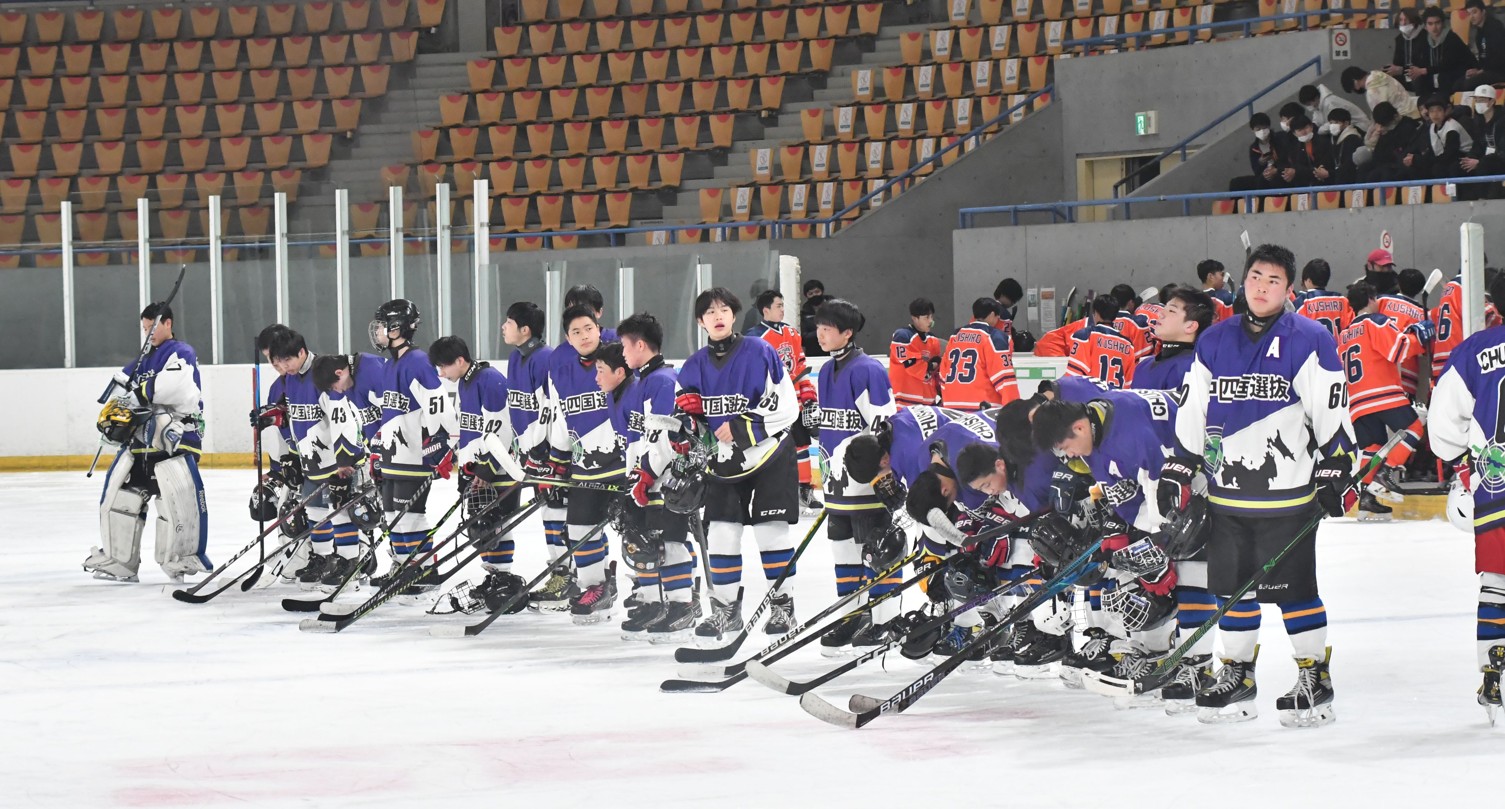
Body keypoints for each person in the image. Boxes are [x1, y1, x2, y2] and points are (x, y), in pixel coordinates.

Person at [1168, 243, 1356, 728]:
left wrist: (1336, 464)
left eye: (1273, 280)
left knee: (1295, 591)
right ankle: (1237, 675)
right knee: (1231, 591)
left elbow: (1331, 407)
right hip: (1226, 494)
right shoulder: (1214, 340)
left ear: (1288, 289)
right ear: (1244, 279)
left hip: (1288, 495)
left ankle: (1314, 676)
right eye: (1255, 277)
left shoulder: (1310, 338)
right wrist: (1181, 462)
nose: (1261, 287)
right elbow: (1194, 406)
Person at [1031, 388, 1193, 703]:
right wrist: (1116, 532)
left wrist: (1158, 549)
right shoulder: (1093, 430)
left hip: (1194, 482)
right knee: (1129, 565)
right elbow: (1122, 492)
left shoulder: (1131, 436)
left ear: (1079, 428)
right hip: (1156, 488)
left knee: (1175, 575)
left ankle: (1178, 657)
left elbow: (1163, 497)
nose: (1070, 456)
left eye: (1066, 447)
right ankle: (1149, 649)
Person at [676, 287, 801, 639]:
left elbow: (787, 404)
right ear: (700, 321)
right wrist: (687, 428)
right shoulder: (693, 365)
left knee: (770, 531)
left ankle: (783, 606)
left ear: (733, 315)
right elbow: (687, 417)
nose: (718, 316)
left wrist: (742, 426)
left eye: (723, 310)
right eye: (709, 312)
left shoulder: (760, 351)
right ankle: (726, 610)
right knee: (721, 534)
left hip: (770, 454)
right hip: (724, 462)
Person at [87, 302, 212, 583]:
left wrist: (137, 393)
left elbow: (176, 388)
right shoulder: (141, 360)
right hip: (141, 442)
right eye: (145, 329)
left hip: (175, 439)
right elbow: (118, 393)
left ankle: (180, 559)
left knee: (173, 500)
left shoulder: (182, 352)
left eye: (152, 328)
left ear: (168, 323)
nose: (149, 334)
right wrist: (115, 413)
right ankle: (121, 560)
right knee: (123, 497)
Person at [1428, 273, 1505, 717]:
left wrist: (1463, 461)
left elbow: (1442, 429)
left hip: (1497, 488)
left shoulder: (1474, 349)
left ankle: (1493, 672)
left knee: (1497, 582)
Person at [808, 299, 902, 650]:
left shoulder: (868, 370)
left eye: (827, 329)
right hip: (836, 486)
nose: (820, 335)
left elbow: (884, 427)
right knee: (843, 554)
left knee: (878, 552)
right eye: (818, 328)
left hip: (865, 487)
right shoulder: (824, 371)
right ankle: (853, 616)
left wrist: (883, 476)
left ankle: (886, 620)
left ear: (847, 333)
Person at [607, 313, 700, 640]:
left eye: (624, 346)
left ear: (640, 345)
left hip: (666, 479)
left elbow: (664, 436)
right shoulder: (642, 382)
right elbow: (639, 437)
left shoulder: (662, 380)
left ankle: (681, 606)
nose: (622, 352)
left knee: (671, 541)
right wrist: (635, 475)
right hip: (644, 477)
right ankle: (652, 601)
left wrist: (646, 475)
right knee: (642, 541)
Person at [430, 335, 529, 614]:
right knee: (479, 529)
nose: (441, 373)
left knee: (496, 525)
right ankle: (494, 577)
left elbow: (503, 428)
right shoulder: (466, 381)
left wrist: (487, 467)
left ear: (460, 360)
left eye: (443, 366)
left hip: (498, 470)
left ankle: (504, 579)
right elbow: (471, 429)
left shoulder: (490, 380)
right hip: (476, 471)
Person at [544, 304, 625, 624]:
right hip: (586, 469)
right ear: (568, 338)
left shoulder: (618, 363)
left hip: (622, 466)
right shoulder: (561, 372)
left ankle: (659, 594)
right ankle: (596, 588)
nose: (584, 336)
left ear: (598, 329)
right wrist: (557, 460)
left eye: (588, 329)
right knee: (579, 529)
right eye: (576, 332)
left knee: (641, 535)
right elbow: (562, 418)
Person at [368, 299, 452, 593]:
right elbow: (390, 412)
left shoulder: (417, 362)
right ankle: (404, 568)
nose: (377, 331)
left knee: (411, 516)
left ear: (397, 328)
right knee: (393, 516)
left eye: (382, 325)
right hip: (394, 454)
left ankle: (423, 571)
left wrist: (440, 441)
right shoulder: (391, 364)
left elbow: (438, 405)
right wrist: (379, 448)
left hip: (414, 455)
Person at [1338, 282, 1433, 521]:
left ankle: (1366, 498)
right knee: (1414, 428)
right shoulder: (1376, 321)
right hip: (1382, 392)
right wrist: (1419, 336)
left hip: (1356, 401)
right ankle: (1387, 472)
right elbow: (1398, 350)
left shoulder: (1344, 334)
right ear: (1371, 299)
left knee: (1372, 447)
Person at [499, 301, 571, 610]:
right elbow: (519, 407)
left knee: (559, 513)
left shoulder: (545, 359)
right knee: (548, 514)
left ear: (525, 329)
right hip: (532, 455)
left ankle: (568, 578)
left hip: (551, 455)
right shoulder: (515, 358)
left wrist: (546, 450)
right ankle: (560, 574)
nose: (503, 327)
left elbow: (553, 408)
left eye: (509, 322)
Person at [263, 328, 346, 588]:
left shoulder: (323, 373)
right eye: (278, 361)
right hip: (310, 459)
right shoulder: (289, 379)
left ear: (302, 352)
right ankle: (323, 559)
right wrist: (289, 454)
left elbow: (341, 419)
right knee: (314, 511)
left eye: (287, 360)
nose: (283, 366)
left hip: (334, 461)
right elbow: (293, 419)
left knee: (342, 514)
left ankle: (350, 562)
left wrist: (346, 459)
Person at [309, 350, 389, 586]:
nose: (336, 391)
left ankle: (404, 563)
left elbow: (397, 412)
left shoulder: (372, 370)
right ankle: (363, 560)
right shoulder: (351, 380)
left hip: (397, 451)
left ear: (340, 372)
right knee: (369, 510)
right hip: (378, 451)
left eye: (334, 386)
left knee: (392, 513)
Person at [746, 288, 823, 513]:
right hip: (771, 408)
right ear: (765, 310)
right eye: (778, 306)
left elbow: (800, 366)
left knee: (802, 445)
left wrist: (808, 395)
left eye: (782, 305)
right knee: (769, 448)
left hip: (794, 404)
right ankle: (768, 491)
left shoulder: (792, 333)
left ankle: (804, 489)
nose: (782, 309)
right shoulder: (754, 338)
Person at [939, 297, 1019, 410]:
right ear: (992, 314)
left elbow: (943, 373)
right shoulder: (995, 337)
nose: (998, 319)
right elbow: (1004, 378)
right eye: (997, 316)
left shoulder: (955, 335)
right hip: (982, 408)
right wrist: (1015, 409)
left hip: (952, 405)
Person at [1134, 287, 1214, 392]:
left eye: (1171, 311)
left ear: (1190, 326)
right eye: (1164, 308)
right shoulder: (1143, 365)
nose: (1160, 314)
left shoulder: (1192, 369)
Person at [1066, 294, 1140, 389]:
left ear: (1096, 313)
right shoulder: (1128, 344)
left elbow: (1073, 378)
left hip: (1091, 396)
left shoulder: (1084, 336)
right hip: (1117, 397)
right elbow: (1128, 385)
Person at [1378, 267, 1432, 396]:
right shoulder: (1424, 314)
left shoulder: (1381, 301)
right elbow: (1426, 351)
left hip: (1380, 372)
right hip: (1408, 378)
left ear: (1398, 283)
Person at [889, 296, 943, 406]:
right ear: (914, 318)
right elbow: (910, 364)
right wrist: (931, 365)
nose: (931, 321)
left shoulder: (933, 340)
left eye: (931, 317)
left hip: (928, 404)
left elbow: (937, 372)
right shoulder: (902, 336)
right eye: (926, 317)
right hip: (904, 403)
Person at [1414, 6, 1475, 96]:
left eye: (1437, 23)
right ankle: (1423, 102)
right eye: (1430, 24)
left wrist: (1424, 70)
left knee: (1443, 76)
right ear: (1425, 26)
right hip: (1437, 73)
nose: (1434, 27)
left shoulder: (1451, 38)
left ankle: (1444, 100)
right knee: (1420, 78)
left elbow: (1448, 64)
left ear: (1443, 23)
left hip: (1461, 72)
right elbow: (1422, 61)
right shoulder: (1425, 39)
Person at [1409, 94, 1474, 179]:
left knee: (1443, 168)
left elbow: (1450, 154)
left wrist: (1421, 160)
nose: (1435, 114)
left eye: (1439, 110)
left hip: (1465, 157)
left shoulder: (1452, 127)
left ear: (1445, 111)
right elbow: (1434, 151)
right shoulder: (1432, 127)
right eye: (1431, 111)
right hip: (1448, 158)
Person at [1360, 101, 1426, 182]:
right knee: (1363, 168)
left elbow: (1403, 152)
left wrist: (1387, 136)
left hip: (1397, 163)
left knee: (1384, 173)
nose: (1381, 127)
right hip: (1384, 162)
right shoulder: (1385, 130)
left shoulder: (1408, 126)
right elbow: (1377, 156)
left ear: (1395, 117)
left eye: (1385, 125)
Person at [1459, 85, 1505, 200]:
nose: (1478, 103)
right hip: (1485, 159)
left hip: (1500, 159)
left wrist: (1479, 162)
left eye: (1482, 100)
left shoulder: (1502, 120)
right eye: (1476, 100)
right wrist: (1471, 157)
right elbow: (1477, 145)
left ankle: (1482, 198)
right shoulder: (1478, 121)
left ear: (1492, 101)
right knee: (1460, 165)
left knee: (1485, 163)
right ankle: (1464, 201)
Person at [1293, 258, 1355, 339]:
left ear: (1308, 280)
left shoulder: (1302, 302)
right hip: (1338, 346)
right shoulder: (1343, 301)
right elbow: (1352, 329)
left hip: (1314, 346)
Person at [1342, 65, 1422, 126]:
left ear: (1355, 83)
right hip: (1414, 109)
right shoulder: (1380, 75)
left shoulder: (1372, 92)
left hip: (1403, 121)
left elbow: (1382, 117)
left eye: (1353, 89)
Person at [1230, 113, 1282, 192]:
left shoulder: (1279, 138)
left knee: (1269, 182)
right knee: (1236, 183)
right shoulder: (1254, 148)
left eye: (1264, 128)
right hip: (1263, 177)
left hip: (1279, 173)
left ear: (1269, 127)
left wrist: (1276, 169)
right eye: (1258, 129)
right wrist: (1260, 163)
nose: (1262, 131)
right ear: (1252, 130)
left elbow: (1287, 160)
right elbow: (1256, 171)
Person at [1462, 0, 1505, 89]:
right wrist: (1476, 70)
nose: (1471, 17)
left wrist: (1480, 71)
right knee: (1458, 83)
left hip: (1500, 71)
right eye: (1469, 14)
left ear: (1483, 11)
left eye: (1474, 12)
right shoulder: (1479, 32)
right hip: (1488, 70)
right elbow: (1483, 57)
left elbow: (1499, 57)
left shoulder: (1495, 27)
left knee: (1467, 85)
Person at [1299, 82, 1371, 134]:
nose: (1309, 106)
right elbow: (1317, 117)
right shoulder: (1317, 104)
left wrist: (1319, 130)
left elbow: (1335, 122)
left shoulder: (1330, 103)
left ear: (1316, 98)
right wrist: (1313, 126)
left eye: (1309, 104)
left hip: (1360, 126)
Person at [1281, 115, 1333, 186]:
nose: (1304, 132)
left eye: (1306, 128)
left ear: (1311, 127)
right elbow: (1297, 166)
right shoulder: (1295, 149)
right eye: (1299, 130)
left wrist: (1297, 172)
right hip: (1306, 184)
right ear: (1294, 133)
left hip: (1325, 182)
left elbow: (1326, 165)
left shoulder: (1324, 142)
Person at [1386, 7, 1428, 93]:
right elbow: (1397, 62)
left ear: (1414, 20)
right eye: (1401, 20)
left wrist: (1401, 69)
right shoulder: (1399, 39)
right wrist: (1390, 69)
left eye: (1406, 19)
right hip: (1405, 74)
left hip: (1422, 75)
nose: (1403, 23)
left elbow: (1424, 64)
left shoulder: (1425, 36)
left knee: (1417, 77)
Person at [1324, 108, 1365, 185]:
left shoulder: (1353, 138)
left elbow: (1350, 164)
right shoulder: (1333, 138)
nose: (1332, 125)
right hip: (1338, 177)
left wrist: (1330, 173)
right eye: (1331, 123)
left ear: (1346, 123)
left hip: (1352, 179)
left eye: (1336, 122)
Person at [799, 278, 831, 358]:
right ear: (806, 296)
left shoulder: (835, 307)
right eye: (810, 293)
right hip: (815, 356)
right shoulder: (804, 314)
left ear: (822, 291)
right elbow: (804, 339)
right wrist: (822, 331)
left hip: (836, 352)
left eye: (817, 292)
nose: (814, 295)